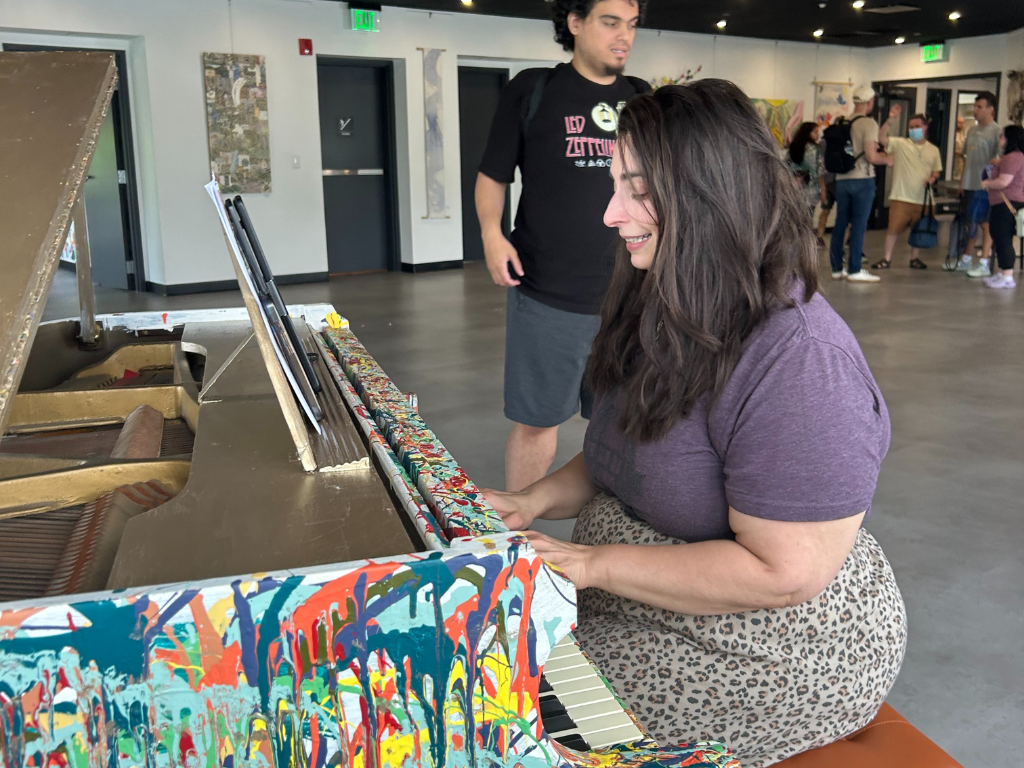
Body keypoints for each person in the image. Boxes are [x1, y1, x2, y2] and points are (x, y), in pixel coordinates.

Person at [484, 80, 905, 768]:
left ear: (715, 195)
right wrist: (527, 502)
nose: (611, 213)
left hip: (775, 644)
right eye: (614, 184)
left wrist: (591, 564)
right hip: (640, 601)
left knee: (518, 712)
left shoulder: (800, 361)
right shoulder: (669, 293)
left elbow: (784, 573)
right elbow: (619, 451)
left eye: (638, 189)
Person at [476, 0, 651, 492]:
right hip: (547, 292)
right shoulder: (534, 90)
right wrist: (493, 235)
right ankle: (519, 542)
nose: (625, 36)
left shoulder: (641, 99)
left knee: (618, 424)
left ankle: (608, 532)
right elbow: (492, 175)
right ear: (575, 24)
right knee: (537, 424)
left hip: (629, 297)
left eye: (633, 25)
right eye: (611, 22)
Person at [829, 85, 889, 282]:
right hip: (862, 179)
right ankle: (855, 269)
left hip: (842, 180)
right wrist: (888, 159)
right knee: (859, 224)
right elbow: (871, 156)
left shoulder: (842, 121)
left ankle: (837, 268)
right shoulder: (868, 124)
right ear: (869, 102)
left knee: (840, 223)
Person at [872, 108, 943, 270]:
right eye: (911, 127)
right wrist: (890, 120)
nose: (913, 130)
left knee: (919, 229)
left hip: (923, 198)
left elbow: (936, 170)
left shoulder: (933, 150)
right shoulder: (900, 144)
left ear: (925, 127)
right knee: (893, 229)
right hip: (901, 197)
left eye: (917, 126)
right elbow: (881, 138)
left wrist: (932, 179)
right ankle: (887, 258)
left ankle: (915, 258)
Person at [951, 92, 1000, 277]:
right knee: (969, 222)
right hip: (969, 184)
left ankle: (984, 262)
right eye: (975, 106)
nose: (976, 110)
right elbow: (965, 159)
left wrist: (991, 183)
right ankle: (966, 259)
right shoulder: (971, 130)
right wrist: (962, 182)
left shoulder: (996, 131)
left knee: (985, 223)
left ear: (990, 109)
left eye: (980, 107)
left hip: (985, 186)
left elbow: (998, 161)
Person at [979, 125, 1024, 289]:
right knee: (999, 237)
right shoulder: (1016, 157)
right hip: (1009, 203)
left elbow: (1004, 181)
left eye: (1002, 136)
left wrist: (986, 183)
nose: (1000, 140)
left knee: (1003, 238)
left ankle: (1007, 276)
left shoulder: (1012, 157)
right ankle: (1002, 272)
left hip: (1006, 203)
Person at [787, 121, 826, 220]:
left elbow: (785, 166)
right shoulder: (814, 150)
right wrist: (823, 190)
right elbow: (819, 171)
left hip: (793, 189)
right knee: (807, 219)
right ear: (808, 133)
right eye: (816, 132)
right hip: (811, 189)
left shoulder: (792, 148)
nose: (818, 135)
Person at [952, 115, 967, 182]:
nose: (961, 125)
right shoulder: (951, 135)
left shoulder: (963, 135)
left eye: (962, 123)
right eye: (959, 123)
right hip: (954, 162)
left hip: (961, 163)